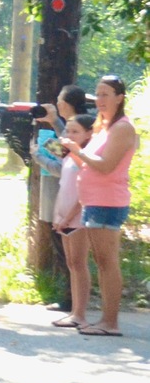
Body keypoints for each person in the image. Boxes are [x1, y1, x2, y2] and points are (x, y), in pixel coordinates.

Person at [61, 75, 140, 337]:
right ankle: (105, 320)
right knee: (101, 260)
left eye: (106, 94)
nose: (100, 100)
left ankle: (110, 322)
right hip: (93, 201)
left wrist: (79, 151)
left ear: (120, 98)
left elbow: (106, 166)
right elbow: (89, 163)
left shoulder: (122, 129)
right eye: (98, 94)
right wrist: (73, 151)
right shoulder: (102, 126)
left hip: (108, 202)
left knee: (107, 262)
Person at [50, 113, 95, 329]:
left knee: (78, 264)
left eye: (75, 131)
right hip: (64, 218)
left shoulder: (84, 157)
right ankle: (75, 312)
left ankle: (80, 314)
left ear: (89, 133)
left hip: (78, 219)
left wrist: (67, 217)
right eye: (68, 131)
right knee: (72, 264)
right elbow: (44, 150)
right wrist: (58, 217)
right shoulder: (69, 155)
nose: (69, 135)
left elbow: (83, 194)